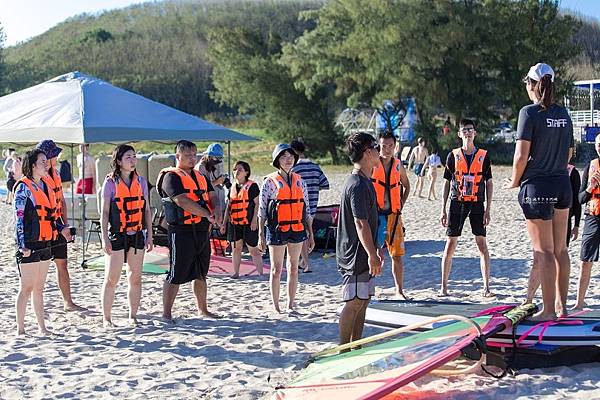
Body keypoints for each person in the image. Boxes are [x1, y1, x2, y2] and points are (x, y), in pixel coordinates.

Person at [503, 63, 574, 320]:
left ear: (532, 84)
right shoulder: (564, 113)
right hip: (562, 185)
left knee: (543, 251)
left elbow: (521, 155)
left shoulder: (529, 113)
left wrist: (513, 180)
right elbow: (569, 153)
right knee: (560, 250)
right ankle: (562, 307)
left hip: (538, 186)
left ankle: (547, 313)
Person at [156, 140, 219, 321]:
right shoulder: (171, 177)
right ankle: (166, 314)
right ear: (178, 156)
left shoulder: (201, 177)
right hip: (180, 231)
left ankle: (203, 309)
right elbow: (181, 200)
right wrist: (207, 214)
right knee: (175, 273)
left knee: (201, 272)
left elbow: (213, 196)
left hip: (201, 230)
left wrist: (217, 211)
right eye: (187, 155)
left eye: (194, 155)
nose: (192, 159)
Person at [14, 149, 73, 335]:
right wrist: (22, 244)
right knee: (26, 288)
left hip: (46, 242)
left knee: (39, 288)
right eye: (42, 162)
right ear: (32, 165)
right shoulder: (23, 187)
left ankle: (42, 328)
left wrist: (62, 228)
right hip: (29, 244)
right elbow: (19, 219)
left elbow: (50, 215)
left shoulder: (46, 186)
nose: (46, 164)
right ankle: (21, 330)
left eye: (46, 161)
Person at [100, 144, 154, 327]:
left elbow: (146, 210)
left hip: (137, 234)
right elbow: (105, 213)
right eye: (128, 157)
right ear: (118, 161)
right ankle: (107, 318)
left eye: (134, 156)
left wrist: (150, 235)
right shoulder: (110, 183)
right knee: (111, 278)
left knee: (135, 277)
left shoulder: (141, 182)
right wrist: (104, 238)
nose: (132, 160)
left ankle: (133, 316)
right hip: (116, 235)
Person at [258, 144, 314, 313]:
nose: (288, 159)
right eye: (283, 157)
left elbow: (307, 210)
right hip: (276, 229)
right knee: (276, 269)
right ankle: (276, 306)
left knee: (293, 267)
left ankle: (291, 303)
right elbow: (262, 210)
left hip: (297, 228)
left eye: (290, 156)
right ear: (277, 160)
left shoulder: (300, 181)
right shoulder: (269, 182)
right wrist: (261, 234)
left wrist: (310, 234)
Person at [440, 119, 493, 297]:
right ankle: (444, 288)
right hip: (457, 202)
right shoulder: (452, 155)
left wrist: (488, 209)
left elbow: (489, 182)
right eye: (464, 130)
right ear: (459, 134)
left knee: (481, 244)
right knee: (450, 244)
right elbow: (446, 183)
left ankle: (486, 287)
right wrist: (443, 209)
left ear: (475, 133)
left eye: (470, 130)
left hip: (477, 203)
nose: (468, 133)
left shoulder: (484, 156)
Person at [338, 132, 383, 345]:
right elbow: (360, 223)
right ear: (367, 152)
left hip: (365, 252)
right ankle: (343, 350)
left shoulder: (366, 181)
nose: (379, 151)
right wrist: (372, 254)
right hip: (356, 255)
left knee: (363, 301)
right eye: (375, 147)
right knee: (354, 302)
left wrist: (376, 248)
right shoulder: (356, 184)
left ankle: (356, 345)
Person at [524, 151, 581, 305]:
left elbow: (576, 201)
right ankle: (529, 297)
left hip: (563, 219)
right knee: (539, 257)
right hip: (545, 216)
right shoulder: (544, 168)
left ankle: (557, 303)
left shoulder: (571, 172)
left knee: (558, 254)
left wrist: (576, 225)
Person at [36, 140, 85, 311]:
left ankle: (68, 302)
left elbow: (62, 202)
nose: (57, 157)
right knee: (39, 269)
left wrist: (65, 225)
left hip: (59, 227)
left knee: (62, 264)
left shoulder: (55, 174)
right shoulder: (37, 178)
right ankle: (36, 305)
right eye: (54, 155)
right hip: (44, 229)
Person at [371, 132, 410, 299]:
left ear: (395, 146)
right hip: (376, 215)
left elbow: (407, 186)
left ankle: (399, 290)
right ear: (379, 146)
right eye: (383, 146)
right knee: (372, 254)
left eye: (390, 146)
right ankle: (368, 291)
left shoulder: (398, 165)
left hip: (394, 215)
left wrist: (401, 204)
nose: (387, 149)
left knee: (397, 255)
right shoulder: (372, 165)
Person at [290, 139, 329, 273]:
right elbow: (325, 184)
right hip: (312, 205)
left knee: (303, 234)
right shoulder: (315, 166)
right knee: (307, 233)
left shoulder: (294, 168)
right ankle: (303, 262)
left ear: (294, 152)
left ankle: (306, 264)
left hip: (298, 206)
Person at [219, 161, 263, 278]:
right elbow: (229, 206)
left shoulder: (252, 186)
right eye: (235, 169)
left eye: (240, 169)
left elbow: (257, 204)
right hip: (234, 223)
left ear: (246, 172)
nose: (236, 172)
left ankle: (260, 273)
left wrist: (254, 221)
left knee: (253, 249)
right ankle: (236, 273)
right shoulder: (232, 187)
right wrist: (223, 224)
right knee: (236, 249)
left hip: (248, 223)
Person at [572, 134, 600, 310]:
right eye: (599, 144)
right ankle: (579, 302)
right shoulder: (590, 166)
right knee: (585, 260)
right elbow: (580, 199)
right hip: (593, 217)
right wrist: (590, 187)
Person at [196, 143, 226, 225]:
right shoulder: (200, 167)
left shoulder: (212, 166)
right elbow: (203, 187)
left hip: (213, 200)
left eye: (220, 158)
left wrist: (222, 181)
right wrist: (217, 182)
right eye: (216, 158)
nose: (218, 160)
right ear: (209, 156)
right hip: (204, 202)